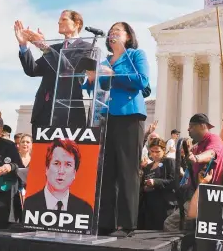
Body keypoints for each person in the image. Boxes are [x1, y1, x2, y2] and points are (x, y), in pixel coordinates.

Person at [83, 22, 149, 237]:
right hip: (106, 116)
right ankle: (105, 222)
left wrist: (113, 75)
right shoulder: (103, 61)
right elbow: (90, 86)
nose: (112, 34)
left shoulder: (136, 55)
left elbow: (142, 81)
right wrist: (89, 79)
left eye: (117, 32)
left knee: (127, 171)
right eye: (110, 32)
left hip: (129, 115)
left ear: (128, 36)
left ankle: (126, 224)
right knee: (107, 171)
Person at [14, 10, 92, 135]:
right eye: (59, 20)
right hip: (44, 112)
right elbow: (33, 70)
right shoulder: (54, 48)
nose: (59, 22)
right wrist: (24, 46)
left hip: (69, 113)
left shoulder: (87, 47)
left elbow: (68, 70)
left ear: (77, 23)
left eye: (64, 19)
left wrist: (44, 47)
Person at [24, 139, 93, 216]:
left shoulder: (84, 209)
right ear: (47, 168)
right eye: (56, 163)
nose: (61, 171)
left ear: (74, 173)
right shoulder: (29, 204)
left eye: (68, 164)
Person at [138, 138, 176, 230]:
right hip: (149, 206)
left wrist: (155, 182)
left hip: (164, 206)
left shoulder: (169, 162)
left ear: (163, 150)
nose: (154, 154)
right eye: (152, 151)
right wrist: (144, 187)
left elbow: (174, 181)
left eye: (157, 151)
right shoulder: (148, 166)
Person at [187, 113, 223, 186]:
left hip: (209, 192)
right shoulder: (197, 146)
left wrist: (196, 158)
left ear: (202, 126)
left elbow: (211, 153)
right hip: (196, 190)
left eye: (191, 126)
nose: (188, 129)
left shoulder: (214, 138)